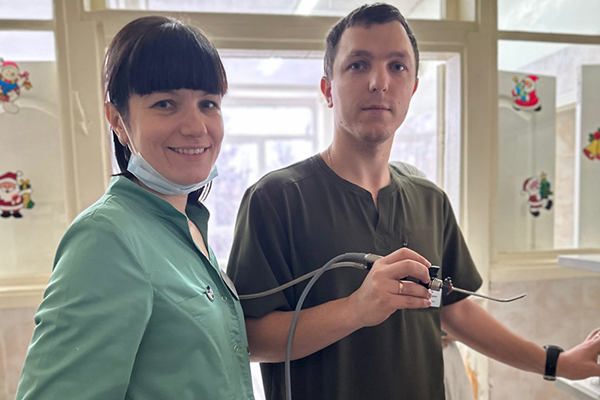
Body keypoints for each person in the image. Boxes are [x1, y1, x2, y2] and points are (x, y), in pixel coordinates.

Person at [227, 3, 600, 400]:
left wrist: (556, 362)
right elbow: (249, 339)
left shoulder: (429, 201)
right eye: (358, 65)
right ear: (327, 89)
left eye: (397, 66)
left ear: (413, 89)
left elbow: (453, 309)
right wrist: (356, 309)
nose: (379, 82)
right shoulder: (277, 199)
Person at [16, 16, 254, 400]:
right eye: (165, 104)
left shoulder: (185, 224)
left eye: (208, 104)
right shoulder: (108, 238)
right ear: (117, 120)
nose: (196, 126)